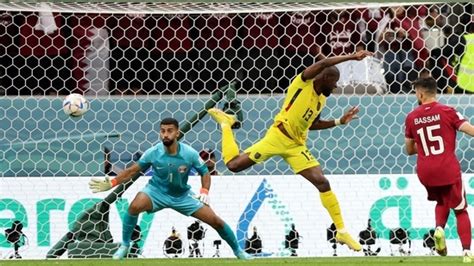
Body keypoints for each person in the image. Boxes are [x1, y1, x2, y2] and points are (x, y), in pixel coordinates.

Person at [207, 50, 374, 252]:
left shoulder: (321, 99)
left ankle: (341, 230)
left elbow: (312, 124)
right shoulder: (302, 83)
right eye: (335, 82)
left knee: (322, 182)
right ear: (326, 77)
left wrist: (339, 121)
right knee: (233, 165)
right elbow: (324, 64)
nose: (336, 86)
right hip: (277, 137)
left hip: (296, 146)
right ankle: (226, 123)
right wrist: (351, 57)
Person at [88, 118, 251, 260]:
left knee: (216, 221)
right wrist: (112, 182)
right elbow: (132, 171)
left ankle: (238, 251)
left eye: (170, 131)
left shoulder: (190, 153)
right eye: (163, 131)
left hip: (183, 195)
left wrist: (204, 191)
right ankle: (124, 245)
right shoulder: (153, 152)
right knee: (134, 207)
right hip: (156, 192)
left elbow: (205, 172)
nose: (165, 134)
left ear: (177, 133)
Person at [404, 77, 474, 262]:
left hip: (425, 170)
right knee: (460, 210)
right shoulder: (447, 111)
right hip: (447, 168)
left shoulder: (411, 117)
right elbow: (470, 130)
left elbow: (409, 150)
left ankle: (439, 229)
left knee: (442, 200)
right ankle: (467, 252)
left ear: (420, 93)